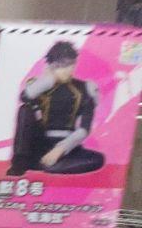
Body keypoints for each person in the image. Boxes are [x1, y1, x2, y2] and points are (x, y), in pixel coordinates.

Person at [8, 41, 105, 176]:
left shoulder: (85, 88)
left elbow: (84, 129)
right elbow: (25, 97)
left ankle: (50, 165)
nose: (67, 70)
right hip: (40, 143)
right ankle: (20, 162)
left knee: (98, 159)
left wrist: (61, 149)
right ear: (52, 65)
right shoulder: (41, 85)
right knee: (25, 110)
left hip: (68, 145)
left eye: (71, 65)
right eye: (61, 66)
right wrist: (48, 79)